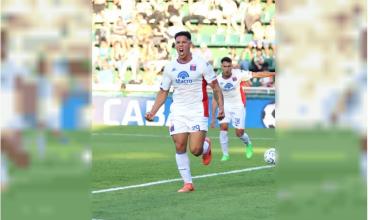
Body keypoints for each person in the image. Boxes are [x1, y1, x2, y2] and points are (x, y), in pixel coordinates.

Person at [145, 31, 225, 193]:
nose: (180, 45)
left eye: (183, 42)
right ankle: (188, 183)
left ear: (190, 44)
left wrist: (221, 108)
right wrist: (153, 112)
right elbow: (163, 91)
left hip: (197, 110)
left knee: (195, 150)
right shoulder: (170, 67)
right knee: (180, 145)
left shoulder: (202, 64)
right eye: (178, 42)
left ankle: (206, 146)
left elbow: (216, 87)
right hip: (178, 111)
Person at [211, 57, 275, 161]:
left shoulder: (238, 74)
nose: (227, 69)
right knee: (223, 128)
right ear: (221, 67)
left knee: (239, 133)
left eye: (228, 66)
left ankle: (248, 144)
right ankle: (225, 154)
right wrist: (213, 117)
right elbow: (215, 98)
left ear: (231, 66)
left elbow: (256, 74)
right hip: (225, 106)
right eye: (224, 66)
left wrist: (274, 73)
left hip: (238, 106)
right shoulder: (217, 80)